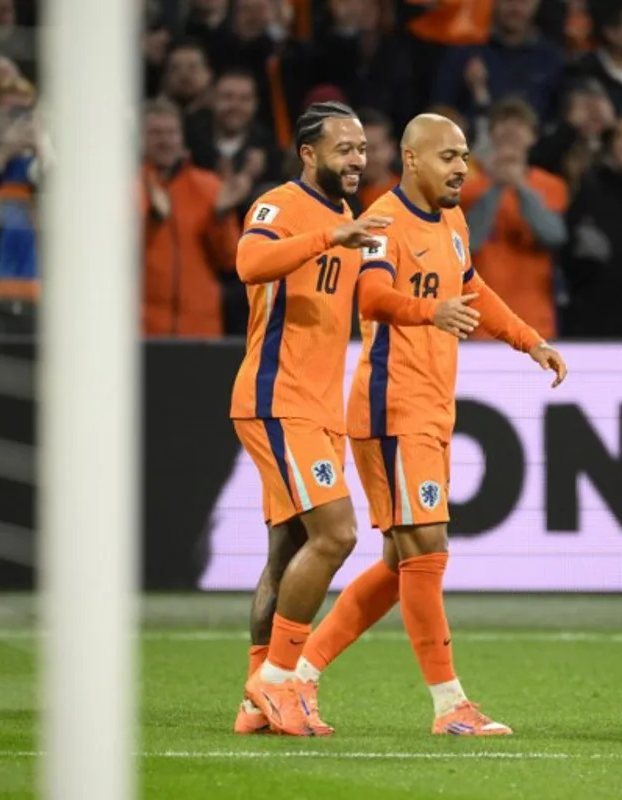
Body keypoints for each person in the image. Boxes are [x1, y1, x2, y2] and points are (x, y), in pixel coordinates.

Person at [292, 113, 568, 735]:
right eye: (448, 157)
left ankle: (296, 677)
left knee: (399, 562)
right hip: (393, 409)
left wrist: (528, 341)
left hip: (431, 407)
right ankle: (450, 706)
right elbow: (370, 297)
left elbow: (471, 288)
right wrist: (430, 312)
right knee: (428, 548)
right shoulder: (382, 224)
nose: (461, 168)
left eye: (465, 156)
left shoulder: (454, 220)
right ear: (412, 160)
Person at [229, 101, 392, 737]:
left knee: (288, 549)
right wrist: (327, 237)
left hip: (317, 408)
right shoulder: (280, 206)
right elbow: (248, 264)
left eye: (361, 148)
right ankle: (277, 682)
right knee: (337, 534)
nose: (357, 159)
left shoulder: (348, 217)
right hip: (278, 398)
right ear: (308, 154)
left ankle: (254, 704)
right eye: (344, 149)